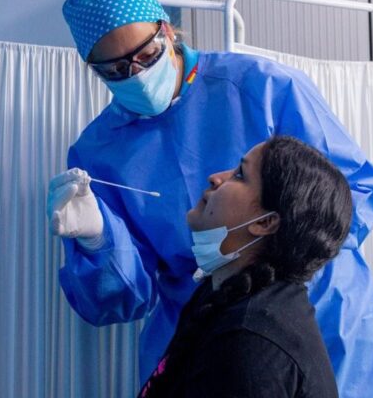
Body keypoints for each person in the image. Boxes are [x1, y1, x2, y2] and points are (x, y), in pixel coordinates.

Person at [47, 0, 373, 397]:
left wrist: (276, 264)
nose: (136, 72)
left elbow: (348, 194)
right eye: (117, 69)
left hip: (317, 300)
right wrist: (97, 242)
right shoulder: (99, 153)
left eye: (146, 55)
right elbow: (124, 295)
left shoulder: (263, 86)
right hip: (206, 323)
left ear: (167, 29)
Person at [139, 136, 348, 397]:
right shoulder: (221, 296)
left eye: (239, 175)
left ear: (265, 222)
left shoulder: (249, 344)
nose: (215, 178)